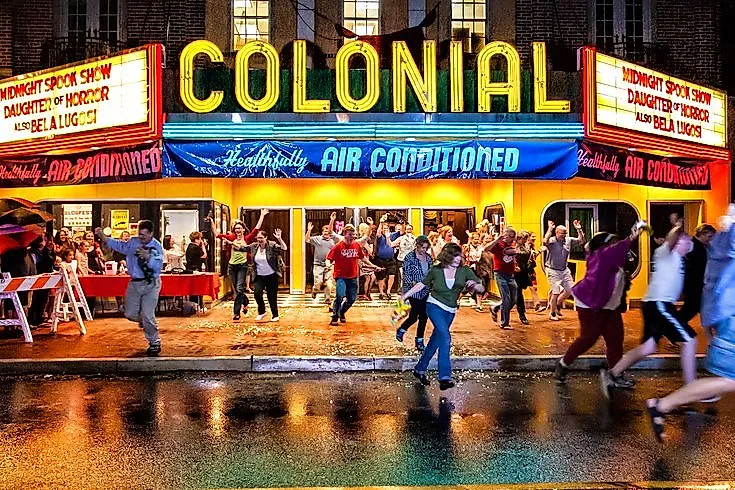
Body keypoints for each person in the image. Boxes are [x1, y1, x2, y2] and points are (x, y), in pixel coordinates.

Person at [644, 205, 735, 441]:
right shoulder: (669, 252)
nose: (687, 243)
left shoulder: (716, 243)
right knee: (728, 378)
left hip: (715, 309)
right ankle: (664, 403)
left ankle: (664, 404)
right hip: (665, 304)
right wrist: (676, 227)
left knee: (727, 377)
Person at [600, 220, 697, 398]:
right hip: (659, 304)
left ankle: (612, 374)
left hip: (654, 304)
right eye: (686, 241)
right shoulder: (665, 253)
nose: (689, 244)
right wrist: (677, 226)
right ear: (677, 242)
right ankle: (692, 389)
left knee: (649, 347)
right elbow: (671, 239)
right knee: (690, 340)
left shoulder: (678, 258)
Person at [554, 225, 644, 384]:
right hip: (591, 305)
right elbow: (618, 249)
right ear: (605, 244)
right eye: (613, 241)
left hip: (608, 307)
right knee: (588, 338)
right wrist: (634, 234)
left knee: (615, 339)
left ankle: (616, 373)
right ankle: (563, 364)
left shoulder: (607, 258)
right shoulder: (602, 255)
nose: (616, 244)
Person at [401, 243, 484, 390]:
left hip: (450, 310)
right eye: (455, 255)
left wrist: (474, 285)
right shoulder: (436, 270)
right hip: (434, 306)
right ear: (447, 256)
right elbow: (421, 284)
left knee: (435, 341)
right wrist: (405, 295)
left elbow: (481, 288)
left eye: (459, 255)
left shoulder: (464, 271)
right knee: (445, 338)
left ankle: (419, 369)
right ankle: (444, 377)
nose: (458, 258)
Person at [96, 220, 164, 356]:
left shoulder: (156, 246)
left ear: (151, 233)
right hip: (135, 283)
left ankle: (154, 342)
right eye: (140, 234)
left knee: (148, 314)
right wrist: (104, 237)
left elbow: (158, 267)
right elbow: (120, 246)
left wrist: (148, 257)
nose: (141, 237)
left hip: (151, 283)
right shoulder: (133, 242)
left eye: (144, 235)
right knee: (130, 313)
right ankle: (144, 321)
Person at [327, 224, 382, 326]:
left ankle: (342, 312)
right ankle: (335, 316)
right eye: (350, 234)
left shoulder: (356, 245)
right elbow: (329, 258)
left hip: (353, 276)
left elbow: (362, 257)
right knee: (339, 296)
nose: (352, 237)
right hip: (340, 276)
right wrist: (328, 265)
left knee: (352, 299)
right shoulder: (338, 246)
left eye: (353, 235)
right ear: (345, 234)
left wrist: (373, 266)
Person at [543, 219, 586, 321]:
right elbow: (545, 241)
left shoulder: (568, 240)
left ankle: (557, 304)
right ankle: (552, 313)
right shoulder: (552, 240)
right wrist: (550, 229)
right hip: (552, 270)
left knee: (571, 289)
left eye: (565, 233)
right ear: (557, 232)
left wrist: (579, 229)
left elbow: (582, 241)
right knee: (556, 292)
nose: (564, 235)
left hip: (564, 270)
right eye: (562, 233)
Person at [395, 236, 432, 351]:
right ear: (417, 246)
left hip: (425, 290)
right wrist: (413, 284)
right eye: (422, 248)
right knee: (419, 315)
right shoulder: (409, 257)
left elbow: (431, 272)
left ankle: (407, 332)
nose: (424, 250)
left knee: (419, 316)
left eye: (426, 248)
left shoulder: (429, 258)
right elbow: (407, 273)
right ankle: (416, 338)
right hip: (413, 291)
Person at [679, 223, 716, 324]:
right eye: (709, 236)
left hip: (695, 283)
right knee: (691, 309)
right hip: (693, 283)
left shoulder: (700, 246)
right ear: (702, 234)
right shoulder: (693, 245)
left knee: (693, 308)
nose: (710, 239)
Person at [249, 229, 287, 322]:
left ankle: (275, 315)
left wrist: (279, 238)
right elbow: (243, 247)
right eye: (258, 238)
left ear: (266, 238)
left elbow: (284, 248)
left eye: (261, 238)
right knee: (257, 293)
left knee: (271, 296)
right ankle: (262, 312)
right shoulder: (254, 246)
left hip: (271, 275)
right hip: (259, 276)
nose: (259, 240)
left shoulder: (271, 245)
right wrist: (231, 242)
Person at [305, 212, 340, 305]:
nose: (326, 233)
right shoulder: (318, 239)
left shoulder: (333, 240)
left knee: (328, 282)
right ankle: (315, 290)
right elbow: (307, 240)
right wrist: (309, 230)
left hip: (330, 265)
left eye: (328, 231)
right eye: (324, 231)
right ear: (322, 232)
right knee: (318, 281)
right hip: (318, 264)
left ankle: (327, 298)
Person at [488, 228, 518, 330]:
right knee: (506, 298)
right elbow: (486, 249)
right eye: (511, 237)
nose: (512, 239)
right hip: (500, 274)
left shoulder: (512, 245)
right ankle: (504, 323)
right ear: (506, 236)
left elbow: (513, 256)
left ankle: (496, 307)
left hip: (510, 274)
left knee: (514, 299)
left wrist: (515, 265)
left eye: (513, 237)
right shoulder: (499, 244)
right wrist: (497, 240)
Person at [28, 235, 55, 327]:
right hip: (36, 278)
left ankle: (39, 319)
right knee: (35, 301)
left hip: (45, 278)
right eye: (45, 240)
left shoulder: (44, 251)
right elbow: (36, 265)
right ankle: (33, 320)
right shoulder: (33, 252)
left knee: (43, 300)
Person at [374, 220, 400, 299]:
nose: (385, 230)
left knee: (392, 275)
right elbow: (378, 233)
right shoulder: (380, 236)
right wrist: (381, 223)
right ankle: (381, 292)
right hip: (381, 259)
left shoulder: (392, 235)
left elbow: (400, 231)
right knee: (381, 277)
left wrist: (400, 221)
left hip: (391, 259)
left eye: (386, 228)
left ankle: (388, 291)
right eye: (384, 228)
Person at [512, 231, 533, 325]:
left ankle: (497, 308)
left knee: (518, 293)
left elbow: (529, 260)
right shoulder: (513, 247)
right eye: (524, 238)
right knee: (518, 294)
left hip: (524, 272)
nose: (525, 240)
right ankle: (522, 314)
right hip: (515, 273)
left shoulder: (526, 247)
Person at [357, 220, 376, 300]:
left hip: (365, 260)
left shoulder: (363, 240)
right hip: (363, 261)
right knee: (369, 278)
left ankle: (367, 293)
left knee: (371, 277)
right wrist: (371, 246)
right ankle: (366, 294)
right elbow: (370, 252)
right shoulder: (363, 241)